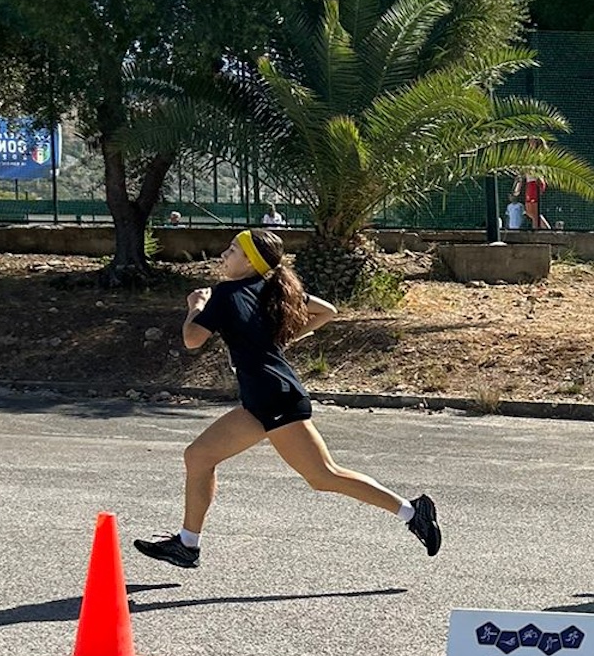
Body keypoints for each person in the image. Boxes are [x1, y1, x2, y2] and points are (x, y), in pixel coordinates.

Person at [134, 229, 440, 569]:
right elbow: (327, 311)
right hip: (262, 399)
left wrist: (196, 306)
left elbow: (192, 339)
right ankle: (187, 544)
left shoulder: (224, 294)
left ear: (250, 260)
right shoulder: (275, 288)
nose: (224, 254)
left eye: (232, 250)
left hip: (274, 398)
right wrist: (284, 338)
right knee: (199, 456)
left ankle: (413, 512)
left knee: (323, 476)